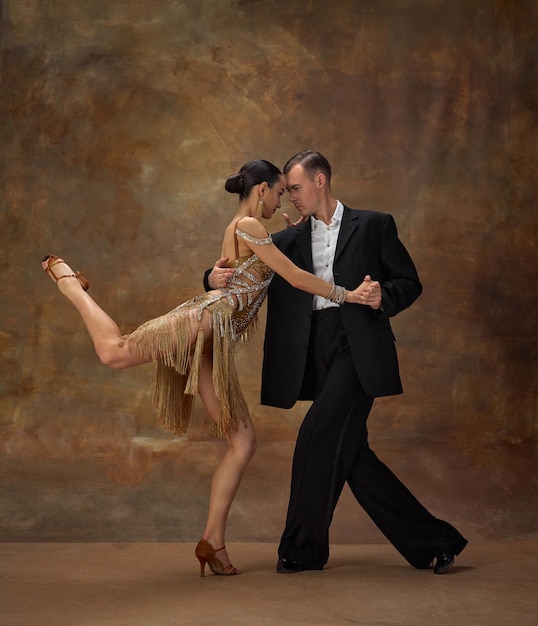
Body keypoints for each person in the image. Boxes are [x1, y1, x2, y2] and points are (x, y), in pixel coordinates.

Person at [41, 158, 369, 578]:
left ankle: (213, 541)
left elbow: (241, 270)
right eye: (278, 190)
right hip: (202, 322)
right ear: (261, 190)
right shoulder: (249, 226)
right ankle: (69, 282)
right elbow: (293, 276)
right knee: (114, 351)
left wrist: (277, 240)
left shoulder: (247, 229)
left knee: (243, 442)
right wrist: (348, 294)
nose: (281, 198)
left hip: (212, 342)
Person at [206, 150, 468, 575]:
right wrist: (210, 277)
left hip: (359, 343)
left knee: (317, 434)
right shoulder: (286, 240)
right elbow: (239, 268)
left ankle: (299, 549)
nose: (289, 197)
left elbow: (409, 281)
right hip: (313, 349)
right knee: (351, 454)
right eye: (285, 190)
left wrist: (384, 295)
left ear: (320, 181)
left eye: (295, 187)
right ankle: (436, 542)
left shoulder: (375, 225)